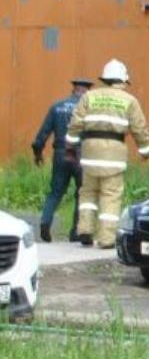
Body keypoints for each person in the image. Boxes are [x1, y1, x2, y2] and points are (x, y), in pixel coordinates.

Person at [65, 59, 149, 248]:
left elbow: (75, 123)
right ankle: (106, 239)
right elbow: (139, 128)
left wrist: (70, 146)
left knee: (87, 192)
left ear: (104, 78)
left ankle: (85, 230)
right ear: (122, 80)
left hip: (89, 152)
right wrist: (145, 150)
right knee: (110, 195)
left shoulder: (89, 96)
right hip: (114, 154)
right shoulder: (129, 100)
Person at [30, 77, 92, 242]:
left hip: (61, 153)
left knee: (56, 192)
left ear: (74, 89)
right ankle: (76, 231)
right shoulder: (89, 109)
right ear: (86, 91)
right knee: (82, 192)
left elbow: (42, 134)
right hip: (80, 153)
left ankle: (45, 222)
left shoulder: (57, 106)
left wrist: (38, 153)